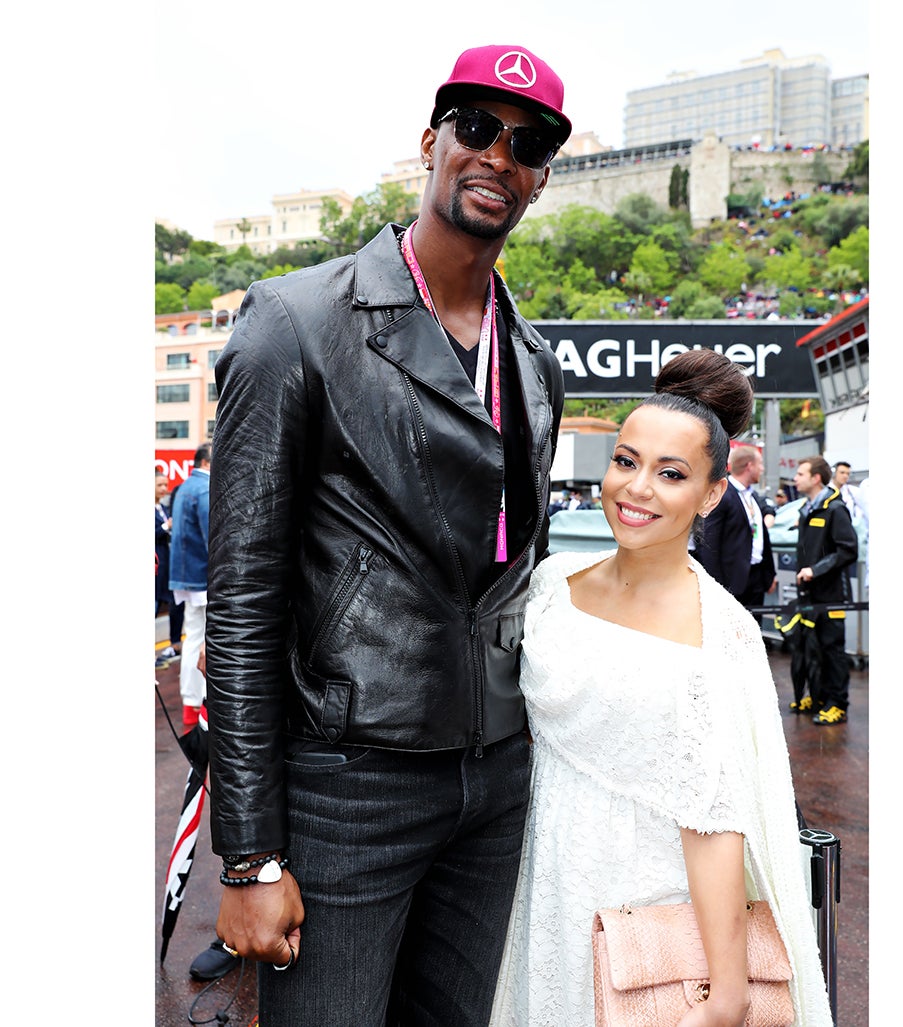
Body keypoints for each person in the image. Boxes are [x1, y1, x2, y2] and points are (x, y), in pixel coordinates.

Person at [204, 44, 569, 1027]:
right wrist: (249, 853)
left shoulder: (534, 360)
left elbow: (516, 576)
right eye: (477, 128)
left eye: (529, 143)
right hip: (348, 782)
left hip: (496, 775)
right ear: (430, 142)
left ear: (542, 176)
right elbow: (241, 603)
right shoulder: (294, 320)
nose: (499, 156)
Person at [489, 350, 832, 1027]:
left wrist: (727, 993)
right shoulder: (552, 585)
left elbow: (716, 820)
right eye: (626, 461)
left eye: (671, 473)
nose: (637, 488)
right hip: (541, 893)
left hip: (648, 920)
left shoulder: (718, 635)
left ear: (711, 493)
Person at [787, 456, 858, 725]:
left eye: (800, 474)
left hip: (831, 595)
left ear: (816, 478)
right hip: (810, 594)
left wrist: (815, 570)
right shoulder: (807, 509)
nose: (795, 478)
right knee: (812, 647)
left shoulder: (835, 509)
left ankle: (837, 703)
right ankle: (817, 697)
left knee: (832, 650)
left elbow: (848, 550)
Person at [692, 444, 776, 616]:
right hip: (731, 582)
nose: (762, 469)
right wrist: (716, 585)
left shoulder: (751, 495)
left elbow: (759, 533)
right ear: (749, 466)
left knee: (755, 628)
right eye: (760, 464)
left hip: (755, 578)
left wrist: (768, 575)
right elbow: (708, 543)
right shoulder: (722, 495)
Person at [168, 442, 211, 730]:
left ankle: (191, 703)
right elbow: (212, 537)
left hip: (186, 575)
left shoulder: (185, 487)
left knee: (193, 637)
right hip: (202, 576)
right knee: (204, 640)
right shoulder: (204, 488)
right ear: (207, 462)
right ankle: (200, 701)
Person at [154, 471, 183, 665]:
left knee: (175, 603)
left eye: (166, 485)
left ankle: (175, 643)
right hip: (155, 566)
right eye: (160, 485)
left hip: (167, 565)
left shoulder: (163, 508)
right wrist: (166, 526)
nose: (164, 489)